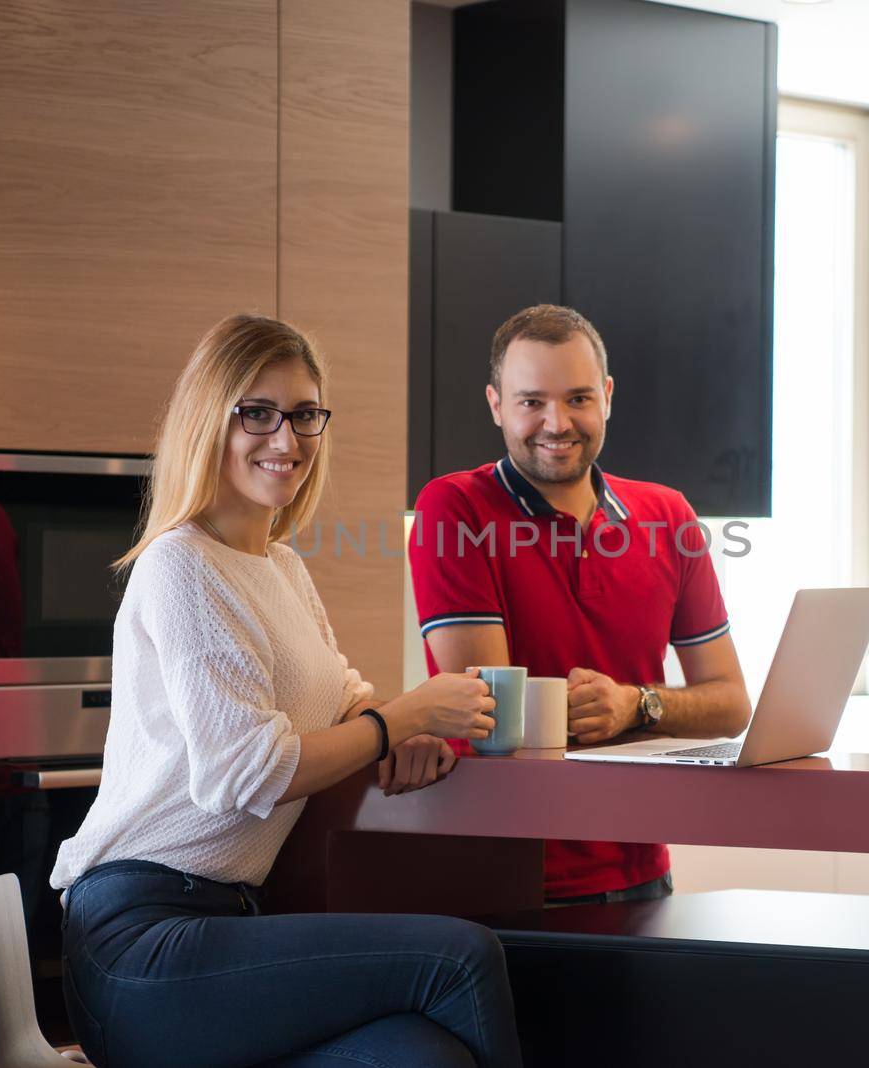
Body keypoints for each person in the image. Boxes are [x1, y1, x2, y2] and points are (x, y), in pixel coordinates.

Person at [51, 313, 523, 1068]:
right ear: (213, 419)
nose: (287, 438)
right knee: (460, 956)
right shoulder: (181, 566)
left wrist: (400, 724)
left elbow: (342, 698)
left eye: (304, 414)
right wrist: (402, 717)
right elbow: (247, 774)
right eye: (258, 413)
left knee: (424, 1056)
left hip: (227, 926)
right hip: (142, 944)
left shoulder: (281, 569)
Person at [409, 304, 753, 905]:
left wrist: (636, 704)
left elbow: (730, 704)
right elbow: (494, 713)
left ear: (608, 397)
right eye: (531, 401)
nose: (556, 422)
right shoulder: (454, 510)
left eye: (577, 398)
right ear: (495, 405)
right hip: (501, 873)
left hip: (641, 869)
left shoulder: (669, 515)